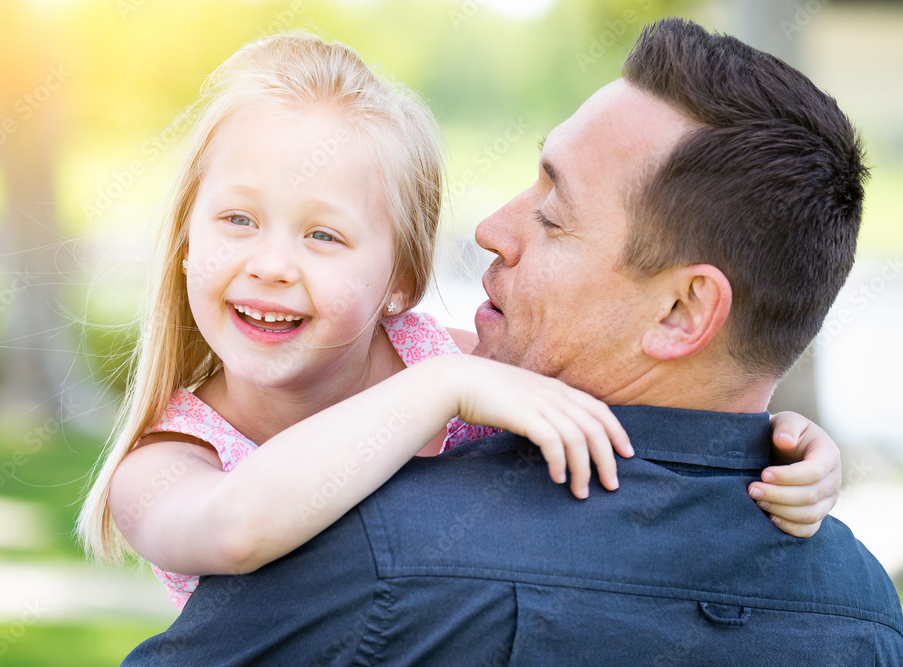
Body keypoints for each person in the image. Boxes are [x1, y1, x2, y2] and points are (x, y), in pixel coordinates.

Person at [120, 18, 903, 665]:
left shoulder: (384, 559)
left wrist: (795, 455)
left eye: (553, 216)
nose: (491, 229)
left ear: (682, 312)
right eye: (236, 220)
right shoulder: (867, 611)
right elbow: (230, 521)